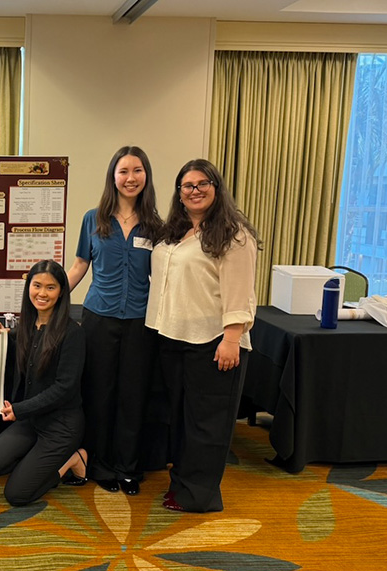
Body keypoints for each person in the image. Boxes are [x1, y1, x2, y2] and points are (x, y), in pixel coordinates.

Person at [146, 158, 260, 513]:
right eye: (187, 186)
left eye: (202, 184)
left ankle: (199, 495)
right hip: (173, 336)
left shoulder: (233, 235)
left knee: (206, 424)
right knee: (180, 419)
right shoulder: (174, 233)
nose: (194, 191)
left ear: (216, 188)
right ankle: (181, 483)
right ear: (179, 194)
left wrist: (231, 338)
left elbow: (240, 293)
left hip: (214, 341)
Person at [65, 145, 163, 495]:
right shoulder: (94, 219)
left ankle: (127, 468)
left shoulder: (156, 225)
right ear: (113, 176)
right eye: (123, 171)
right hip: (98, 318)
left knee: (133, 396)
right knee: (100, 393)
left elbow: (165, 277)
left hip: (140, 321)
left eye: (137, 170)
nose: (130, 178)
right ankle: (102, 465)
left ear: (146, 177)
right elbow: (79, 266)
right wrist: (50, 298)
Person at [0, 259, 87, 507]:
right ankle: (36, 461)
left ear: (61, 292)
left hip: (61, 425)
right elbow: (8, 347)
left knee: (17, 495)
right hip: (31, 421)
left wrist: (19, 410)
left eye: (51, 288)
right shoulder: (25, 326)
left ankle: (73, 460)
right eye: (37, 285)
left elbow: (64, 388)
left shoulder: (73, 333)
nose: (42, 293)